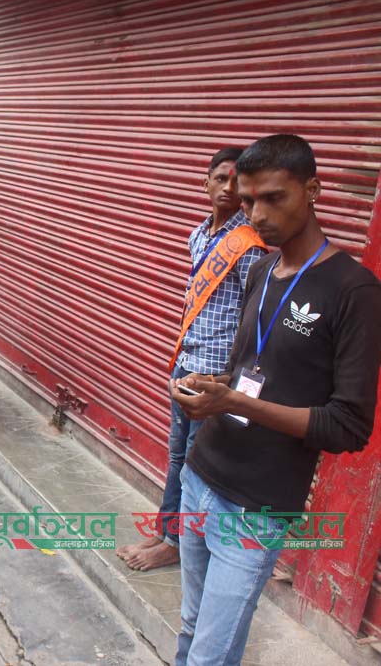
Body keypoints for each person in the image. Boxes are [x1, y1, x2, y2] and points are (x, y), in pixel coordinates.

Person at [171, 134, 381, 665]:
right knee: (190, 627)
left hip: (255, 504)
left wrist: (234, 403)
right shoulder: (260, 270)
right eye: (248, 201)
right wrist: (212, 385)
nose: (257, 215)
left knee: (210, 654)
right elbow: (251, 369)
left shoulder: (354, 291)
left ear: (312, 190)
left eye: (273, 198)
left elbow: (348, 426)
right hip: (201, 474)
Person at [117, 147, 266, 571]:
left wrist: (232, 379)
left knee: (196, 463)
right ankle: (167, 531)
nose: (228, 187)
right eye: (220, 178)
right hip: (187, 361)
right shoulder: (198, 235)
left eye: (236, 181)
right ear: (205, 184)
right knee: (178, 456)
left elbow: (253, 318)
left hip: (214, 374)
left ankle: (177, 544)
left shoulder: (249, 247)